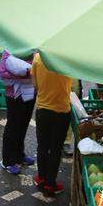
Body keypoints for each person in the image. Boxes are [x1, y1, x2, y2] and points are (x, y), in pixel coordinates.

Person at [31, 54, 72, 198]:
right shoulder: (67, 60)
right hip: (61, 111)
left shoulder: (38, 58)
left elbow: (35, 84)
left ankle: (41, 177)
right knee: (55, 148)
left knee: (42, 145)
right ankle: (50, 183)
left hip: (43, 109)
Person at [0, 51, 35, 174]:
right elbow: (2, 73)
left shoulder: (33, 50)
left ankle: (20, 155)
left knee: (23, 125)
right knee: (13, 126)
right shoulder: (9, 50)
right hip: (14, 96)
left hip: (30, 93)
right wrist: (25, 75)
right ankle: (8, 161)